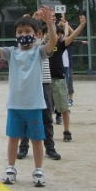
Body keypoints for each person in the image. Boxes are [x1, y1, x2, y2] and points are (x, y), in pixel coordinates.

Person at [0, 6, 57, 187]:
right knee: (13, 138)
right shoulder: (12, 52)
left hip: (35, 105)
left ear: (37, 34)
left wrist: (49, 24)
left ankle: (38, 170)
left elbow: (52, 43)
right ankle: (11, 168)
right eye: (20, 31)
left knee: (37, 140)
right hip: (15, 105)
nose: (23, 34)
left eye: (28, 31)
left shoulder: (39, 52)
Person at [17, 19, 61, 161]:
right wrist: (34, 18)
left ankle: (50, 147)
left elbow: (53, 39)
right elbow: (24, 26)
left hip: (43, 84)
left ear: (40, 34)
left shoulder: (44, 47)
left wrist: (50, 22)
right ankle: (23, 148)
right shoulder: (24, 46)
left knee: (47, 117)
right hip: (29, 86)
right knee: (25, 118)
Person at [51, 15, 87, 142]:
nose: (51, 35)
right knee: (44, 110)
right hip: (44, 81)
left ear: (60, 36)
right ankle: (47, 131)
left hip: (59, 80)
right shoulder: (42, 47)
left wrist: (81, 25)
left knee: (64, 107)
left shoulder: (60, 45)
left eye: (56, 33)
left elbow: (72, 36)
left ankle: (66, 130)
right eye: (48, 33)